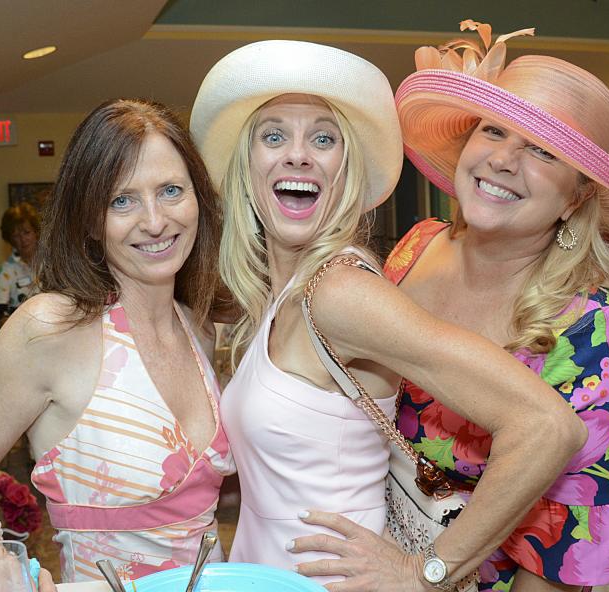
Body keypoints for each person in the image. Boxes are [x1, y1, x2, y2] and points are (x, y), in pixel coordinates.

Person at [190, 39, 588, 589]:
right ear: (247, 164)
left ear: (346, 169)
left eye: (323, 139)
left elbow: (547, 426)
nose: (298, 154)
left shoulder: (340, 293)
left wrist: (425, 573)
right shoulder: (278, 294)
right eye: (273, 134)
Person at [297, 22, 609, 592]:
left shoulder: (597, 329)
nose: (503, 159)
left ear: (576, 198)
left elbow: (565, 552)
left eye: (544, 150)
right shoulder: (414, 249)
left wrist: (424, 574)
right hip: (357, 559)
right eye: (494, 130)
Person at [0, 99, 233, 586]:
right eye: (122, 200)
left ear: (199, 198)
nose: (155, 221)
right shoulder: (50, 328)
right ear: (90, 220)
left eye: (171, 190)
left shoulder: (197, 325)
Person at [0, 202, 40, 333]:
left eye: (27, 232)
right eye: (16, 236)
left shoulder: (53, 265)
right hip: (20, 336)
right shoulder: (5, 271)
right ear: (11, 240)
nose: (23, 240)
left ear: (36, 232)